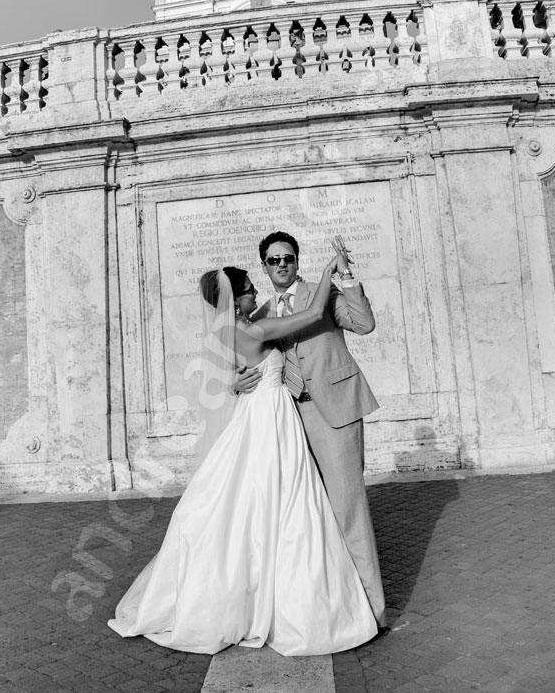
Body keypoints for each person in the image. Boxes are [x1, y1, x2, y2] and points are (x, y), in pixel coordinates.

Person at [108, 249, 378, 656]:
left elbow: (227, 376)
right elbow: (308, 317)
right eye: (251, 289)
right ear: (237, 300)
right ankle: (291, 597)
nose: (256, 293)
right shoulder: (255, 328)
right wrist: (326, 271)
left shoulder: (229, 330)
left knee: (256, 502)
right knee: (285, 501)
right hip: (273, 418)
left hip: (265, 413)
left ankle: (259, 586)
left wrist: (235, 383)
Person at [249, 232, 387, 630]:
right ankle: (330, 607)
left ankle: (372, 611)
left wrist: (345, 277)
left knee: (348, 511)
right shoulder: (260, 315)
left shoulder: (320, 293)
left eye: (288, 258)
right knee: (308, 517)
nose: (281, 266)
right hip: (288, 420)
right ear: (263, 266)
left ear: (297, 260)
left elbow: (364, 323)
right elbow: (247, 360)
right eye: (273, 261)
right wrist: (235, 382)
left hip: (335, 414)